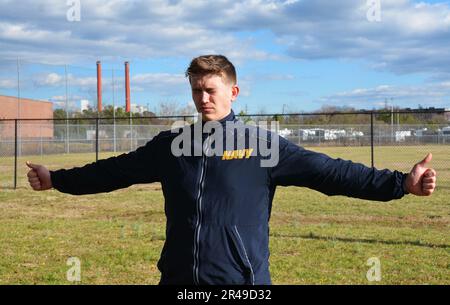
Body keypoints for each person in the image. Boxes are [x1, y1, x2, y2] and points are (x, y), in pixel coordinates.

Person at [26, 55, 437, 285]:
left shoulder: (262, 146)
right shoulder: (171, 146)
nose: (202, 98)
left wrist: (400, 183)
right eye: (196, 91)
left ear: (233, 92)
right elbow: (114, 172)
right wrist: (56, 179)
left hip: (240, 285)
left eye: (211, 90)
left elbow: (329, 172)